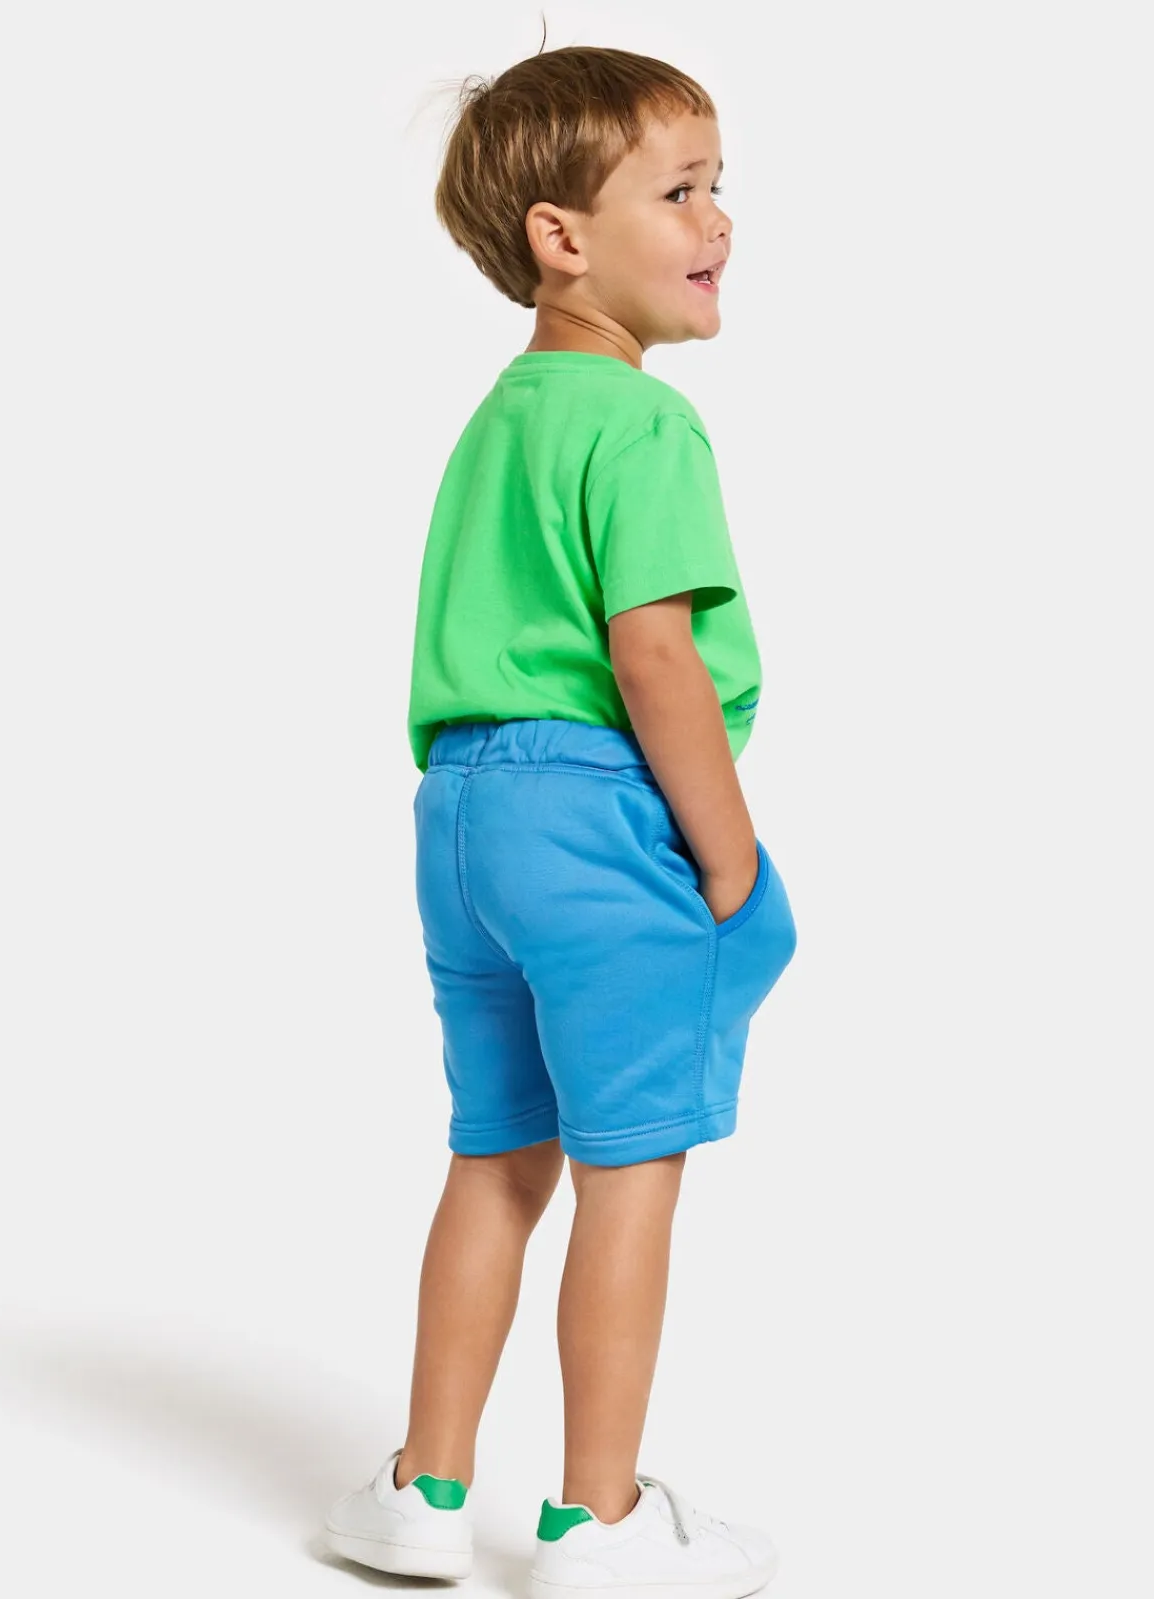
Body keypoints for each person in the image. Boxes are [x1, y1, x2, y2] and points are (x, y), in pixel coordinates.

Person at [324, 42, 798, 1599]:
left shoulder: (500, 420)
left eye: (720, 184)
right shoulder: (641, 425)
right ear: (562, 236)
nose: (719, 218)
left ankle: (422, 1487)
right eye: (682, 189)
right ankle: (597, 1519)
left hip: (463, 819)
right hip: (598, 820)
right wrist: (728, 854)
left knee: (496, 1155)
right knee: (628, 1168)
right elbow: (652, 655)